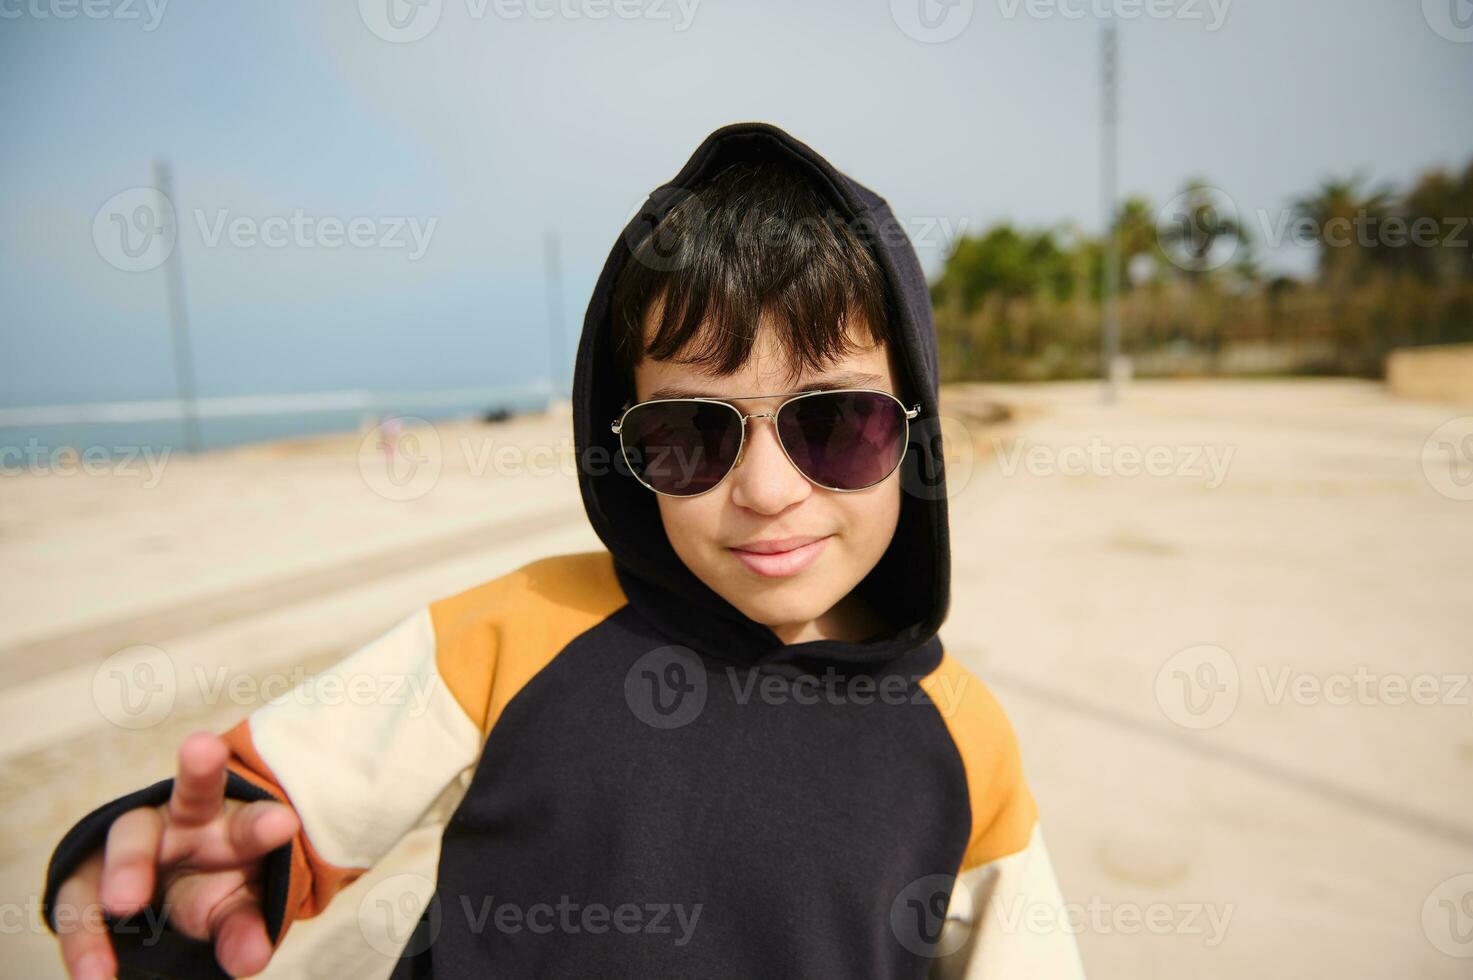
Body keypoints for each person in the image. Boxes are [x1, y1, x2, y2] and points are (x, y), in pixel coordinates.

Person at [41, 121, 1086, 979]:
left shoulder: (963, 740)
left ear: (914, 433)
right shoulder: (520, 630)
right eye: (693, 434)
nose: (766, 491)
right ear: (624, 443)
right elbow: (282, 799)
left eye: (833, 423)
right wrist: (190, 869)